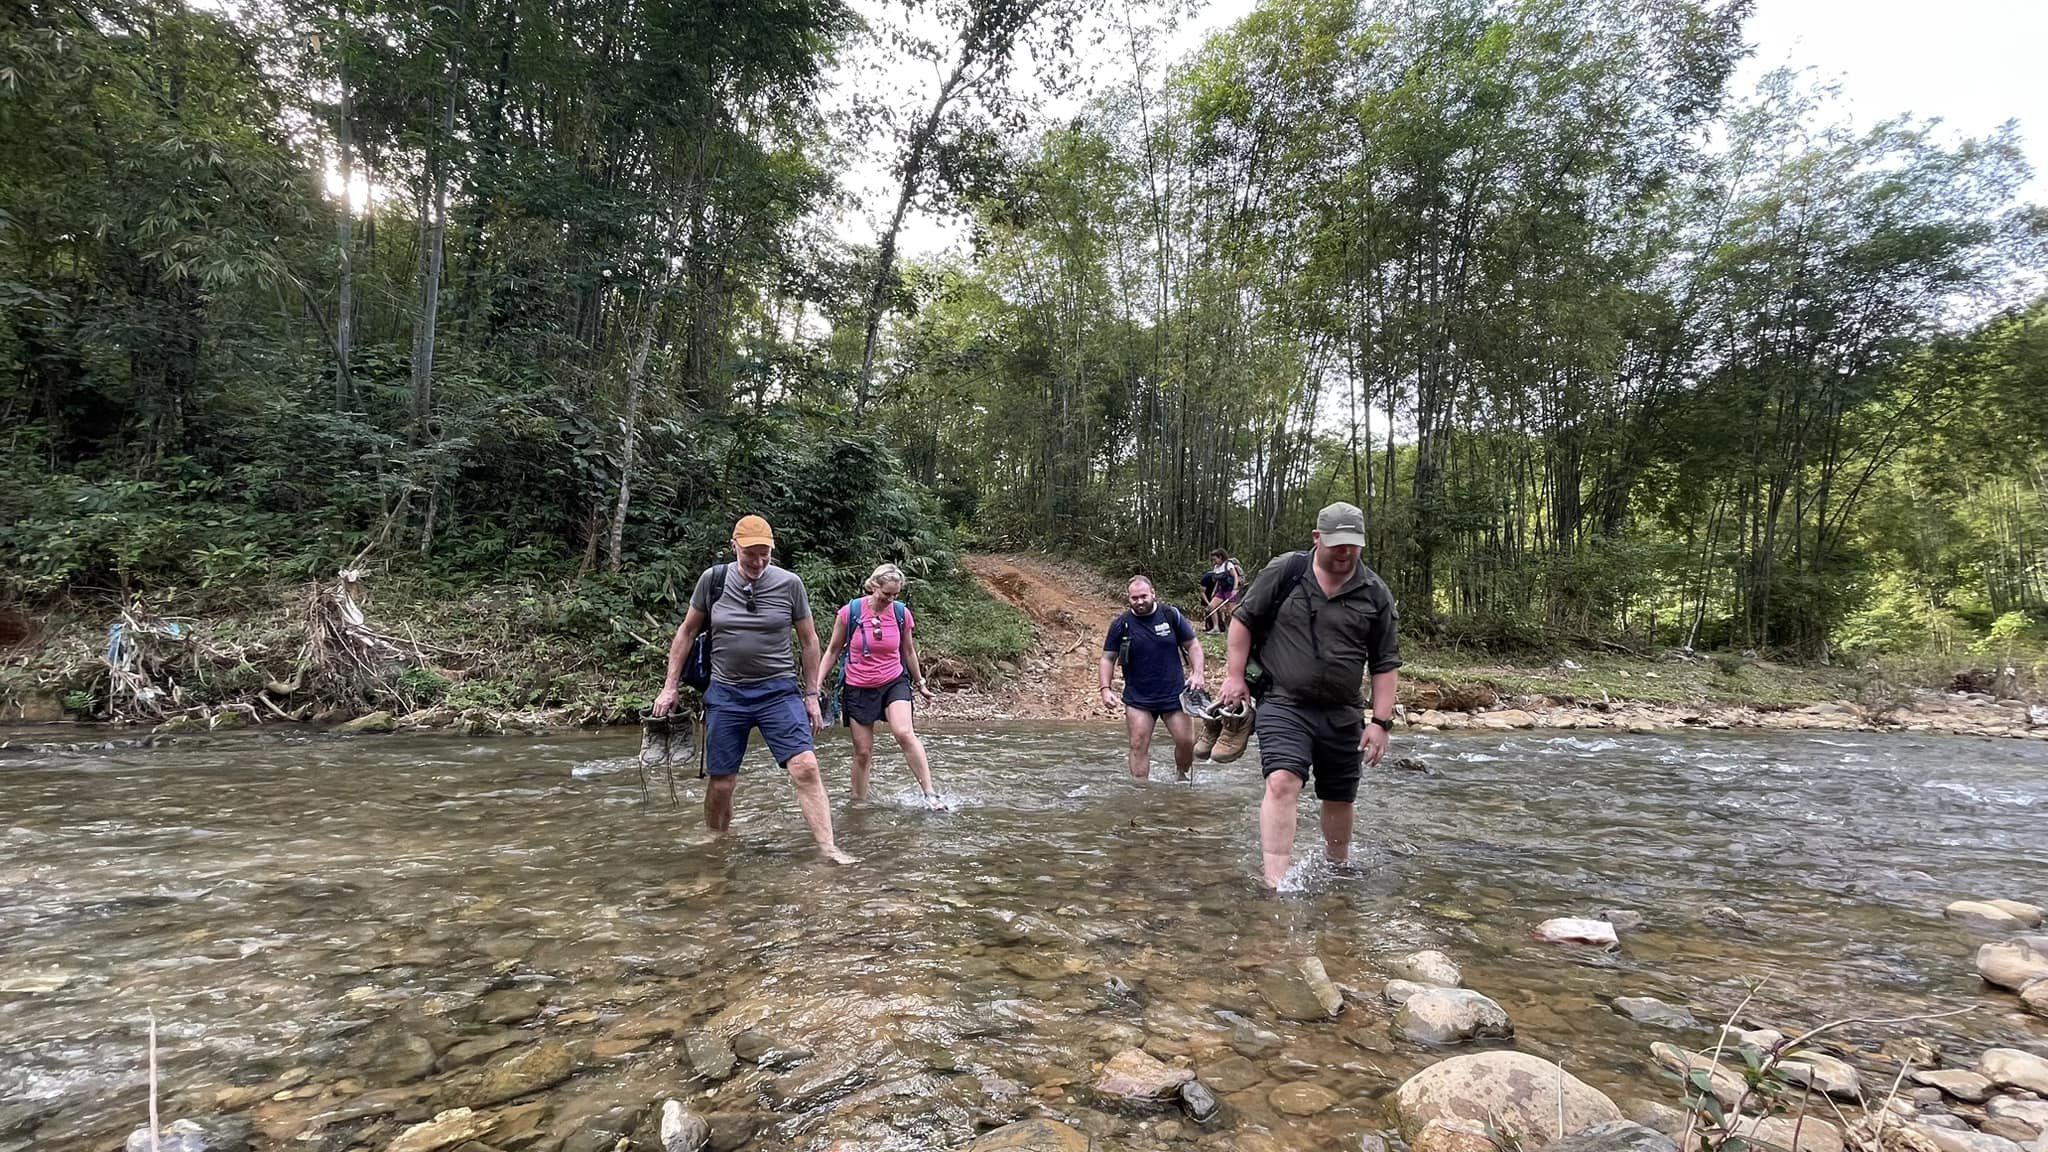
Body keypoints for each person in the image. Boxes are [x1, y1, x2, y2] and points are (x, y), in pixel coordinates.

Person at [652, 515, 856, 864]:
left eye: (766, 555)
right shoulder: (713, 581)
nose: (759, 562)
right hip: (727, 693)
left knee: (806, 765)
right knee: (721, 783)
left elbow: (809, 641)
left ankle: (828, 847)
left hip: (778, 691)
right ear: (734, 547)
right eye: (751, 555)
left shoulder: (790, 584)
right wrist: (669, 688)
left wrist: (811, 694)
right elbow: (686, 633)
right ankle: (717, 841)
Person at [1218, 502, 1400, 888]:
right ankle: (1276, 883)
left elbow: (1385, 662)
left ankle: (1337, 868)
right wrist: (1234, 677)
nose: (1345, 552)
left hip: (1343, 711)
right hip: (1284, 701)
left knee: (1338, 796)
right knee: (1283, 780)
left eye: (1353, 544)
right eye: (1337, 544)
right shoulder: (1286, 572)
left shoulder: (1375, 593)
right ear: (1317, 539)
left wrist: (1381, 722)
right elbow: (1242, 620)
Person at [814, 562, 942, 808]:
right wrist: (816, 685)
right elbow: (831, 651)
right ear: (874, 586)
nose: (890, 599)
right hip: (858, 686)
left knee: (904, 733)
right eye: (886, 594)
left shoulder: (900, 613)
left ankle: (930, 793)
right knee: (863, 752)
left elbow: (908, 650)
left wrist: (921, 683)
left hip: (894, 681)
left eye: (895, 595)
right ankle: (858, 804)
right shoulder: (849, 613)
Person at [1099, 576, 1207, 781]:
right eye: (1134, 598)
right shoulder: (1121, 624)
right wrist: (1105, 688)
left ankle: (1181, 777)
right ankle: (1141, 790)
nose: (1139, 601)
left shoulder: (1170, 615)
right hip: (1139, 697)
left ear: (1153, 594)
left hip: (1175, 695)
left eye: (1143, 596)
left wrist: (1198, 673)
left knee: (1186, 741)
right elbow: (1107, 658)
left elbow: (1192, 645)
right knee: (1138, 744)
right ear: (1128, 599)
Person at [1198, 549, 1238, 634]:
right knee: (1211, 607)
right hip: (1221, 591)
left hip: (1230, 590)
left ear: (1220, 557)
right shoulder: (1216, 567)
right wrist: (1214, 592)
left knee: (1230, 612)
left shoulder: (1228, 565)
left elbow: (1236, 577)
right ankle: (1216, 628)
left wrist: (1234, 590)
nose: (1214, 561)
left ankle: (1233, 630)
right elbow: (1217, 581)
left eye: (1214, 559)